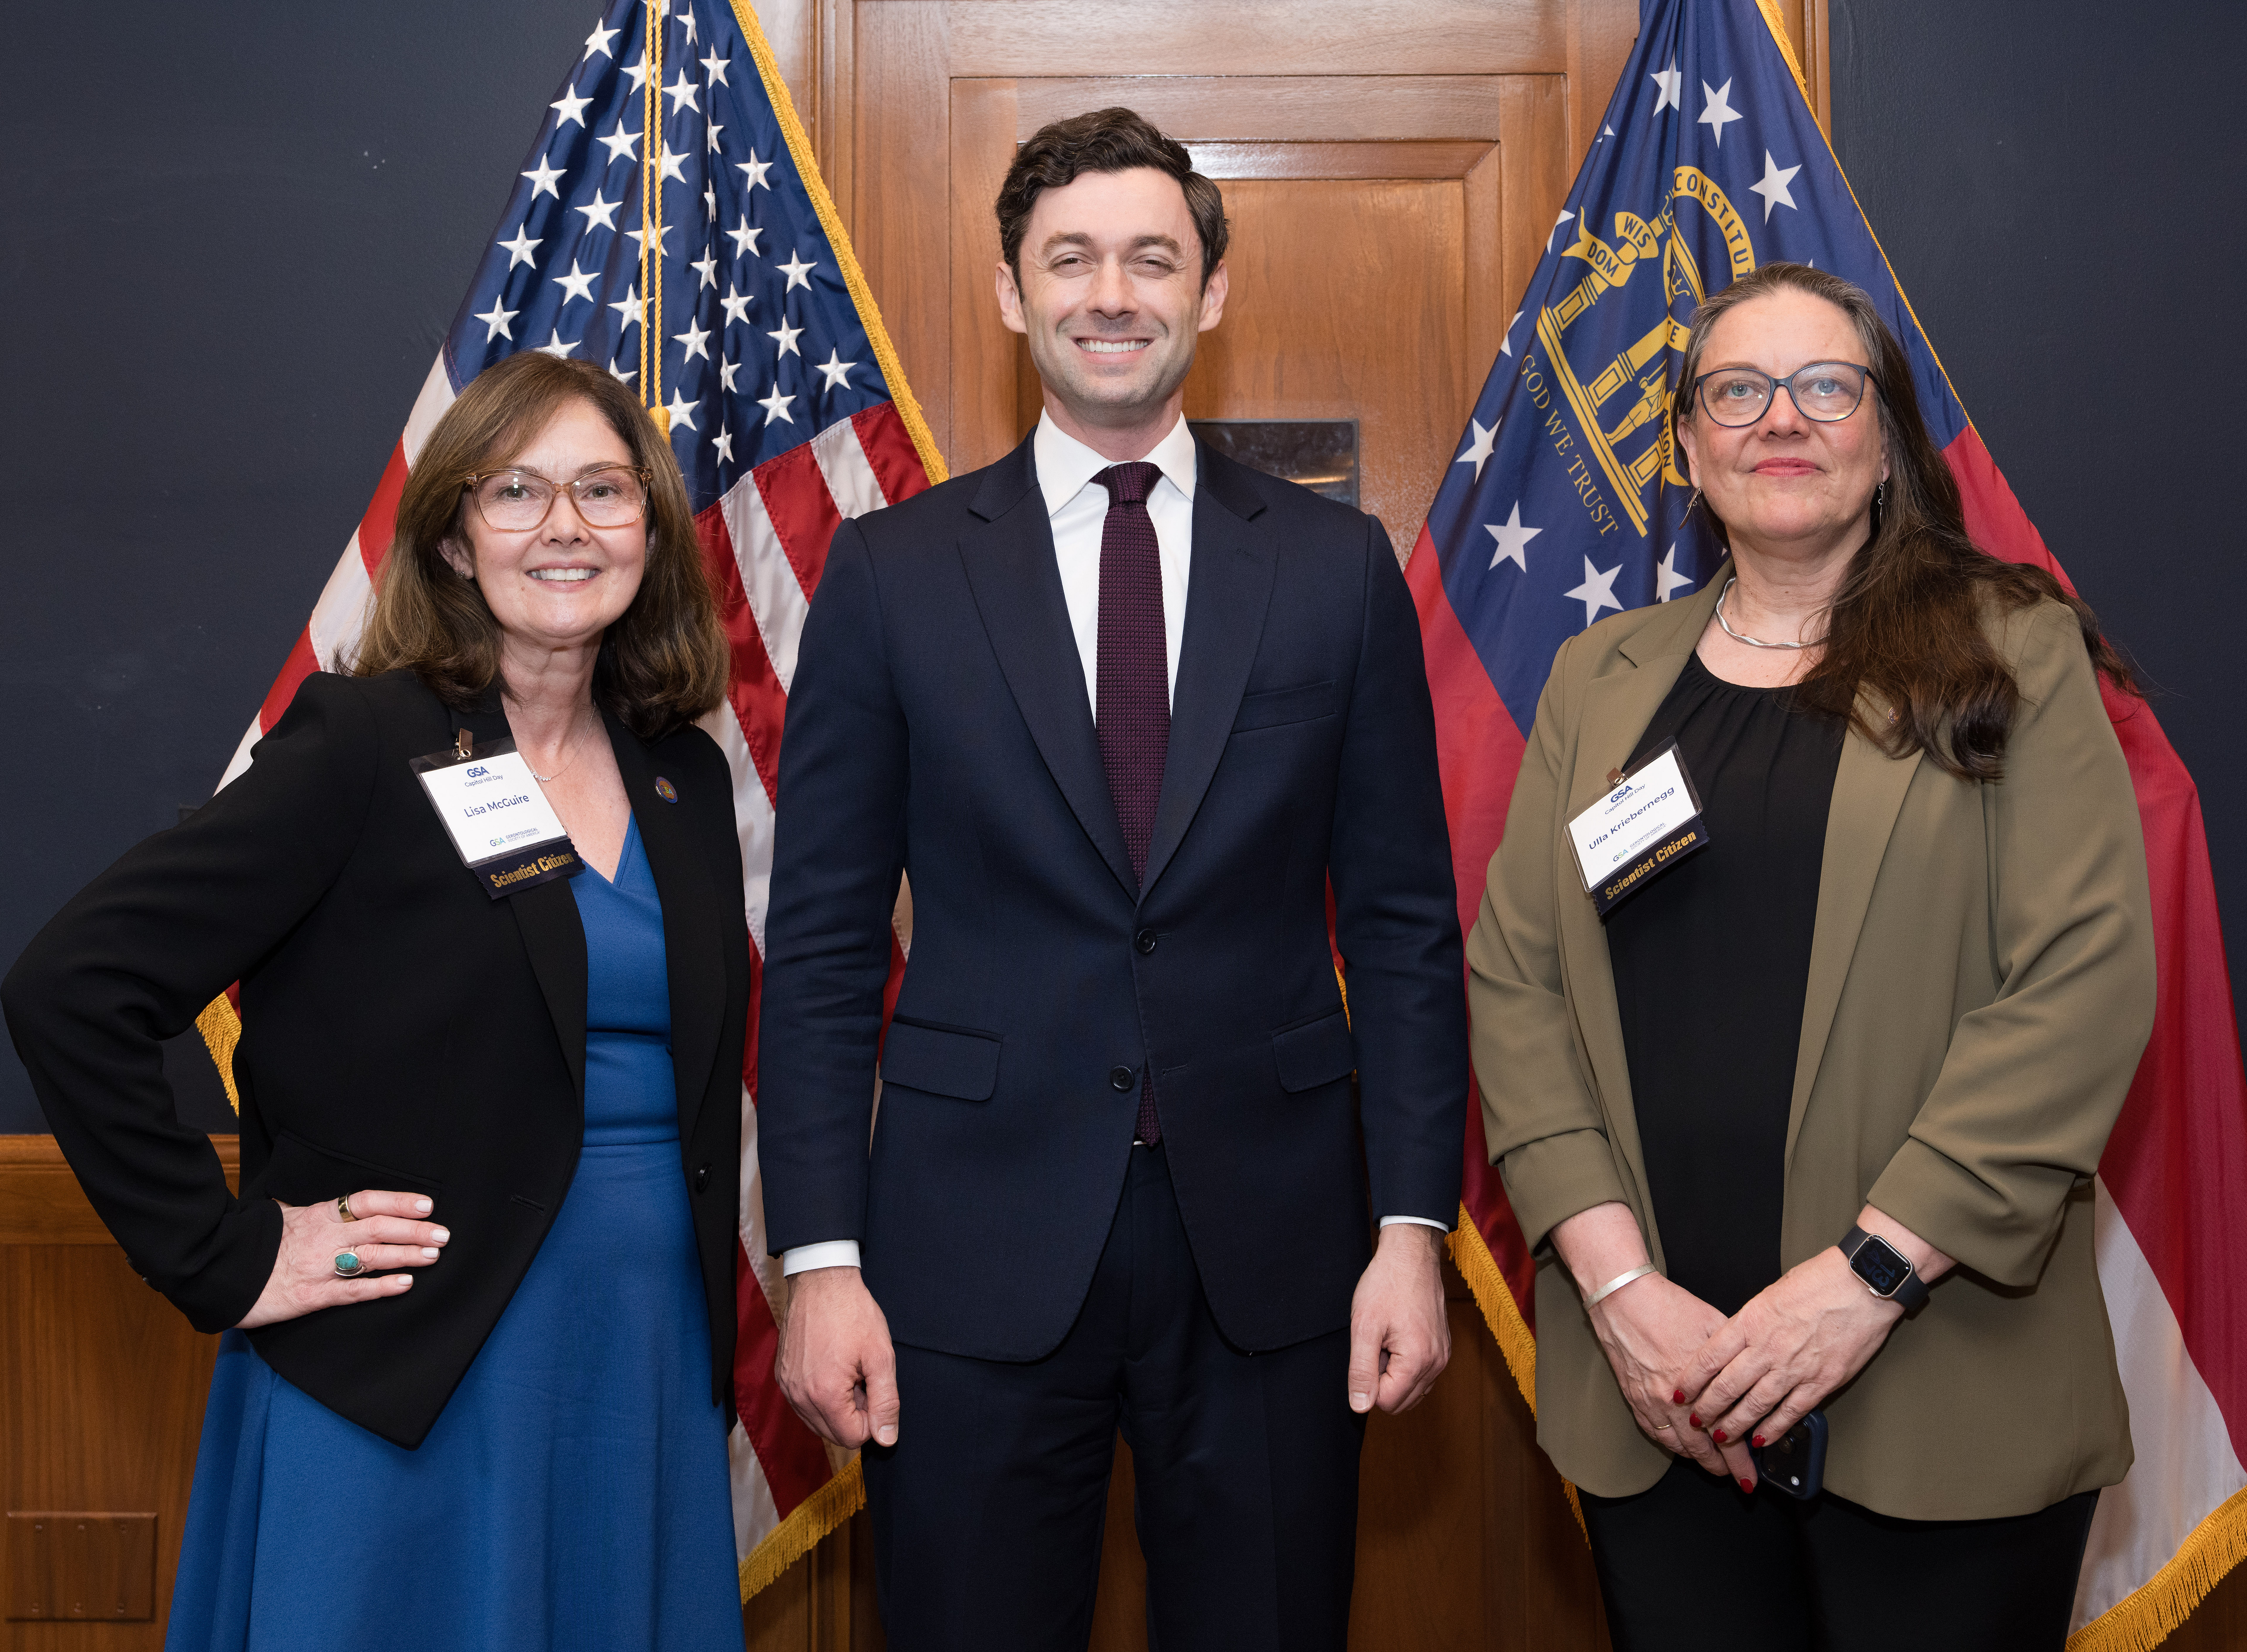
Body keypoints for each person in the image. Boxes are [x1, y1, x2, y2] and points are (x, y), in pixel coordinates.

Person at [758, 106, 1466, 1651]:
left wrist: (1411, 1229)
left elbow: (1406, 931)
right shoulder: (893, 574)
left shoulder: (1335, 570)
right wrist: (819, 1259)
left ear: (1211, 291)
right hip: (967, 1250)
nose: (1111, 293)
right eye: (1068, 258)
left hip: (1278, 1249)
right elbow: (817, 949)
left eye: (1152, 258)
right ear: (1011, 294)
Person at [2, 351, 750, 1649]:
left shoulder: (681, 775)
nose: (565, 526)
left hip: (638, 1356)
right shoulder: (363, 743)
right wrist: (225, 1256)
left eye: (603, 490)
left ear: (650, 527)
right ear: (455, 536)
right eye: (516, 491)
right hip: (418, 1369)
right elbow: (73, 986)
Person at [1466, 260, 2155, 1651]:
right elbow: (1516, 983)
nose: (1780, 419)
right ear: (1685, 445)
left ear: (1884, 437)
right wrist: (1620, 1293)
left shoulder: (2010, 651)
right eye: (1736, 391)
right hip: (1660, 1386)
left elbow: (2079, 985)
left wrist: (1864, 1283)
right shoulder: (1601, 678)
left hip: (1937, 1372)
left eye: (1825, 387)